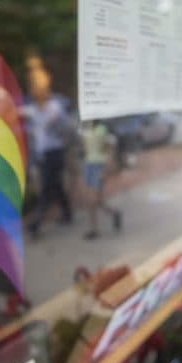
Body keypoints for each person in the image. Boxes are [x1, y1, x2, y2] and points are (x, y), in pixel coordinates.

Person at [24, 60, 73, 236]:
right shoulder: (36, 109)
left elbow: (52, 124)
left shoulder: (53, 108)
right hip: (45, 154)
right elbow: (30, 119)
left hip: (54, 154)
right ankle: (67, 213)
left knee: (46, 189)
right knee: (56, 186)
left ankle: (35, 224)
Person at [79, 120, 122, 240]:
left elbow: (111, 148)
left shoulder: (102, 129)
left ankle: (94, 229)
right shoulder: (85, 128)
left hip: (98, 165)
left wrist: (106, 168)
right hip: (88, 164)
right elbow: (84, 148)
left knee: (93, 199)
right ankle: (114, 213)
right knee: (93, 200)